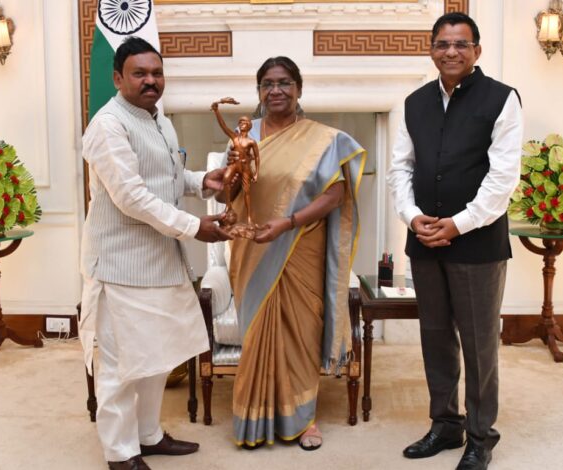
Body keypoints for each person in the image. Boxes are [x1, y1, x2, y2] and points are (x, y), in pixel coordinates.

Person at [79, 36, 231, 470]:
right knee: (119, 365)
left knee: (156, 356)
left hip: (161, 260)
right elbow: (131, 196)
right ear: (117, 78)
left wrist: (202, 181)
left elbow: (167, 174)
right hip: (120, 265)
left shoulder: (158, 117)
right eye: (140, 74)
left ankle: (147, 435)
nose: (151, 81)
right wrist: (194, 226)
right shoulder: (108, 126)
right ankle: (120, 452)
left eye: (157, 73)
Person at [386, 12, 523, 470]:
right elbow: (400, 168)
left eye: (461, 44)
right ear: (431, 50)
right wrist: (412, 217)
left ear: (476, 50)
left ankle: (481, 437)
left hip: (478, 244)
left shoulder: (502, 99)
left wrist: (459, 224)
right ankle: (446, 425)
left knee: (480, 345)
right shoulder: (414, 103)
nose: (451, 52)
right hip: (424, 239)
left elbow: (503, 178)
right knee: (435, 337)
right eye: (443, 44)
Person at [222, 56, 365, 451]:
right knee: (257, 333)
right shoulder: (242, 139)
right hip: (252, 249)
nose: (276, 90)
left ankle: (305, 420)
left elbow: (335, 195)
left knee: (301, 333)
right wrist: (232, 170)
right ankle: (255, 418)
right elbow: (226, 197)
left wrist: (287, 223)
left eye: (284, 82)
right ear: (259, 91)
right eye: (267, 84)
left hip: (301, 244)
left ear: (299, 88)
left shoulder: (323, 140)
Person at [210, 97, 260, 232]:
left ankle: (249, 218)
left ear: (249, 126)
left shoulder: (251, 142)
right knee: (226, 179)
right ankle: (229, 206)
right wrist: (216, 111)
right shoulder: (235, 137)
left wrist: (256, 173)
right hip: (235, 165)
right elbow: (223, 126)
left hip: (245, 167)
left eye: (245, 122)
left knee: (247, 192)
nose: (242, 124)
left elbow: (256, 157)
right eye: (241, 122)